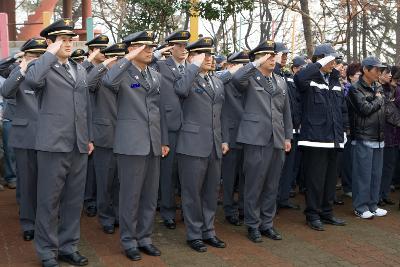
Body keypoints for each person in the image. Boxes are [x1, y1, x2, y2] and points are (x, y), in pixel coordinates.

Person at [24, 18, 94, 267]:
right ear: (50, 42)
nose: (69, 42)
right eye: (62, 39)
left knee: (74, 200)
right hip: (53, 144)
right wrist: (49, 54)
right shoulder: (40, 66)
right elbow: (31, 82)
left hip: (78, 144)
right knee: (49, 201)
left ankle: (68, 246)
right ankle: (46, 251)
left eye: (70, 38)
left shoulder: (79, 68)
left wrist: (89, 137)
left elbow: (85, 107)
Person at [102, 30, 169, 261]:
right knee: (130, 196)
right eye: (144, 46)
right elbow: (108, 82)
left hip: (152, 143)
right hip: (131, 144)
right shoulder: (121, 73)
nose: (150, 50)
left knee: (150, 196)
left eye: (151, 47)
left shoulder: (154, 75)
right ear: (131, 49)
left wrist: (163, 141)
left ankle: (145, 237)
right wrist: (127, 58)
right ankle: (129, 240)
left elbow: (159, 111)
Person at [233, 40, 292, 242]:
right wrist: (254, 64)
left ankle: (267, 223)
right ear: (259, 58)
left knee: (271, 184)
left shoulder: (281, 81)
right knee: (254, 184)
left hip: (276, 139)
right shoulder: (250, 78)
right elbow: (236, 78)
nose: (273, 59)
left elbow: (286, 111)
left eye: (273, 56)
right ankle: (252, 225)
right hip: (255, 138)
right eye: (268, 56)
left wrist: (287, 136)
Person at [175, 37, 227, 252]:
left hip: (214, 144)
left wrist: (224, 139)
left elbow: (221, 113)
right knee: (192, 193)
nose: (209, 58)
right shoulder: (185, 76)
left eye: (211, 54)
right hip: (192, 145)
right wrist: (193, 66)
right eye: (204, 54)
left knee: (211, 191)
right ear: (194, 56)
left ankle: (209, 230)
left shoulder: (216, 80)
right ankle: (194, 234)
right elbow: (180, 90)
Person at [294, 43, 347, 231]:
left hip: (334, 138)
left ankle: (326, 212)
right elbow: (299, 78)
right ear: (321, 58)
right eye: (330, 60)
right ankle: (312, 214)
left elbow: (342, 109)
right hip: (315, 138)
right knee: (315, 180)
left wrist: (344, 131)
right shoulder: (310, 77)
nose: (334, 64)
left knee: (330, 179)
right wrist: (318, 63)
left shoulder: (334, 80)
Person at [0, 37, 46, 241]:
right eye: (33, 55)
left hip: (50, 135)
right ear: (26, 57)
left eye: (41, 56)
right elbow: (7, 90)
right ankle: (28, 222)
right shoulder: (18, 73)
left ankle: (46, 218)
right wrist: (22, 67)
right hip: (26, 135)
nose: (37, 59)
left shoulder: (51, 73)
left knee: (48, 181)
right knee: (27, 183)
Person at [151, 30, 190, 230]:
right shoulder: (160, 65)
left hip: (191, 128)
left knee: (189, 172)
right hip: (170, 125)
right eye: (179, 45)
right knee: (168, 172)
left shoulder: (193, 68)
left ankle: (187, 209)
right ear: (171, 47)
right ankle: (167, 211)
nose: (183, 49)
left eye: (185, 45)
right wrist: (158, 52)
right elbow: (144, 67)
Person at [87, 43, 125, 234]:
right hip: (105, 136)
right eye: (114, 58)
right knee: (105, 181)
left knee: (122, 180)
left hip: (127, 137)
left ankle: (119, 214)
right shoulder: (99, 77)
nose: (118, 62)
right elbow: (87, 82)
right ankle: (106, 217)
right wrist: (103, 64)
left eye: (121, 58)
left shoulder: (127, 76)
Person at [347, 56, 387, 219]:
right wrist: (377, 99)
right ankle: (360, 206)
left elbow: (378, 106)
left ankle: (372, 204)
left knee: (376, 174)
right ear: (365, 69)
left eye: (380, 69)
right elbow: (364, 108)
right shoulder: (355, 88)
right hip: (364, 136)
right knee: (363, 174)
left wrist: (376, 99)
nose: (379, 72)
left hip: (379, 136)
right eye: (376, 69)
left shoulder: (378, 86)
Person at [218, 51, 249, 226]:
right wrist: (229, 72)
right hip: (230, 134)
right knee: (229, 177)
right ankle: (229, 209)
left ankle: (244, 208)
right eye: (240, 65)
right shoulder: (224, 80)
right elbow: (217, 79)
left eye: (246, 65)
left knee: (246, 175)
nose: (243, 69)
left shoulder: (250, 81)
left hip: (248, 134)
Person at [82, 34, 109, 217]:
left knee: (99, 166)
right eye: (100, 48)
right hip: (85, 119)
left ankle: (99, 199)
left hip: (101, 121)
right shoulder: (86, 68)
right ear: (92, 51)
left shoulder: (107, 69)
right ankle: (89, 199)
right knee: (89, 167)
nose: (104, 51)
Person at [275, 49, 305, 211]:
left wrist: (298, 121)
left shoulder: (289, 76)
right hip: (278, 128)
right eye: (282, 54)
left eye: (287, 55)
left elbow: (297, 101)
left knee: (289, 166)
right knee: (277, 168)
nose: (285, 57)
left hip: (293, 128)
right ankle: (273, 200)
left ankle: (284, 197)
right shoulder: (272, 74)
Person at [379, 66, 400, 206]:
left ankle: (384, 194)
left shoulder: (391, 90)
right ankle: (379, 195)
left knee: (389, 166)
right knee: (383, 166)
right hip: (385, 133)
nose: (390, 76)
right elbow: (388, 111)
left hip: (394, 135)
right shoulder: (380, 90)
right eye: (388, 73)